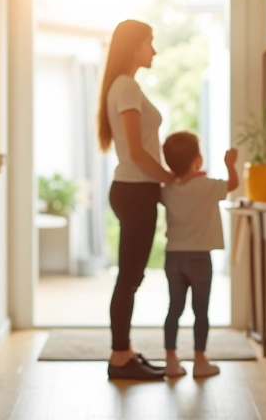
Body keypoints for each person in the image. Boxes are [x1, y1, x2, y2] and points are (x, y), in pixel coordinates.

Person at [98, 19, 176, 380]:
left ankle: (124, 351)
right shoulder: (126, 86)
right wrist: (170, 177)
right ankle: (119, 358)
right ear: (134, 47)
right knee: (129, 277)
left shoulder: (122, 86)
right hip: (135, 190)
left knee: (130, 276)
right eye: (150, 42)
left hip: (133, 190)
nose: (154, 51)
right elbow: (135, 152)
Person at [159, 131, 239, 378]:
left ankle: (171, 360)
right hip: (199, 259)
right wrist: (230, 165)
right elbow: (233, 185)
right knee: (200, 310)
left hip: (173, 256)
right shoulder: (207, 186)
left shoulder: (167, 190)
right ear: (198, 160)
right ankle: (200, 360)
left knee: (174, 308)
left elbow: (168, 184)